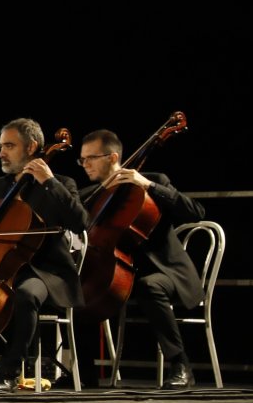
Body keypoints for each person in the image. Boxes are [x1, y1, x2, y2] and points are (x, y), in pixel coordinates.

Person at [0, 119, 90, 392]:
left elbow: (80, 222)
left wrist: (49, 182)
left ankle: (9, 371)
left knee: (25, 295)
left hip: (45, 270)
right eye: (1, 146)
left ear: (32, 147)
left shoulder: (60, 183)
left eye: (9, 146)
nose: (1, 153)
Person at [77, 128, 206, 388]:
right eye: (82, 159)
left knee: (150, 285)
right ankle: (84, 374)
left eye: (91, 158)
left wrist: (148, 185)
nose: (85, 164)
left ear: (113, 157)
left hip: (166, 272)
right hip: (118, 272)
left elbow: (196, 212)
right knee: (79, 292)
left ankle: (181, 365)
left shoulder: (152, 181)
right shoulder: (92, 195)